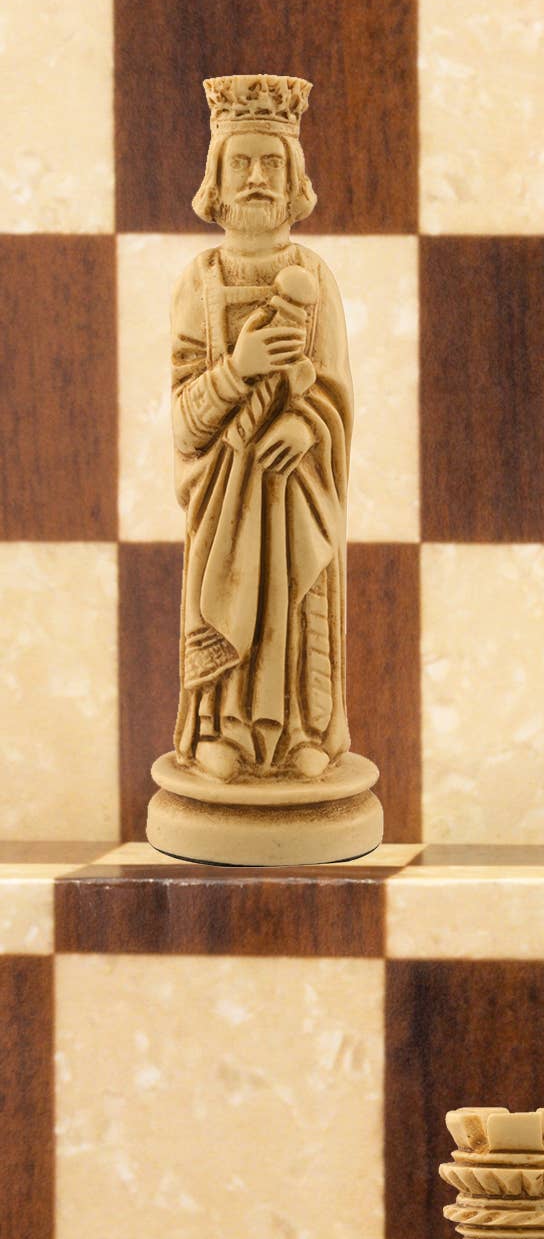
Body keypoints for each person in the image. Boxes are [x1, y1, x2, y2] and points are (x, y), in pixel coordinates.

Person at [169, 74, 354, 782]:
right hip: (226, 491)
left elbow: (335, 390)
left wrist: (308, 427)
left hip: (295, 481)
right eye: (240, 162)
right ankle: (224, 728)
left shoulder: (315, 275)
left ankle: (302, 727)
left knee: (297, 591)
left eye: (270, 163)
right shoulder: (200, 280)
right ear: (216, 179)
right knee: (231, 581)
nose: (255, 178)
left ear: (293, 178)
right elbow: (185, 422)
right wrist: (237, 370)